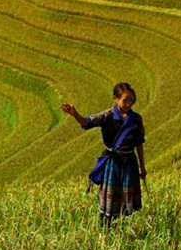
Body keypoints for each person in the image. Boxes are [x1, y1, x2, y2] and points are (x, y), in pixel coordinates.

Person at [61, 82, 146, 227]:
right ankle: (106, 228)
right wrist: (75, 114)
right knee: (110, 200)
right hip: (113, 162)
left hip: (130, 162)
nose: (128, 104)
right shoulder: (107, 116)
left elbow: (139, 142)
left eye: (131, 100)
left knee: (128, 200)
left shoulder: (136, 119)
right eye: (125, 100)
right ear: (115, 98)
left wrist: (142, 167)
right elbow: (87, 122)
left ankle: (127, 227)